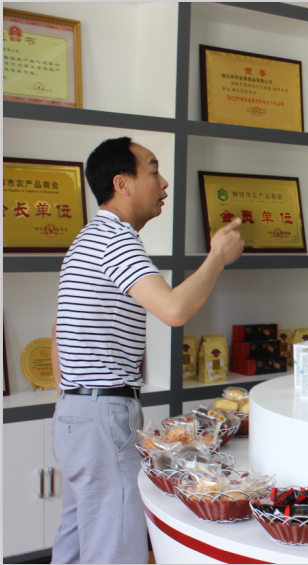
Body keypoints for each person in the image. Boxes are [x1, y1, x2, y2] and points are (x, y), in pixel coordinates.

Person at [50, 137, 244, 564]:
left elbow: (57, 333)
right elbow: (174, 310)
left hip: (75, 411)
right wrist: (216, 257)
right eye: (154, 171)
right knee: (115, 548)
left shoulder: (87, 237)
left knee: (77, 542)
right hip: (101, 414)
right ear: (122, 183)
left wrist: (78, 400)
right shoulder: (116, 239)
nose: (164, 182)